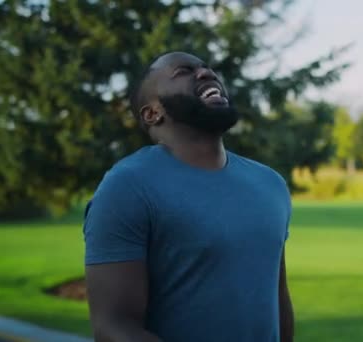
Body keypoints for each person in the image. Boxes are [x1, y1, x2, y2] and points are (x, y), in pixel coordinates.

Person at [83, 51, 294, 342]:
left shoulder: (270, 183)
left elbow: (278, 298)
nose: (207, 74)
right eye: (182, 71)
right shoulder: (127, 186)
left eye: (207, 68)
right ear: (152, 113)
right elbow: (113, 327)